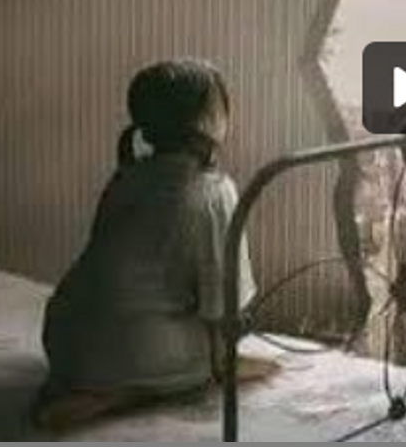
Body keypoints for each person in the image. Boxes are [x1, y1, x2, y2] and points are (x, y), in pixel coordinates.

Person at [35, 59, 259, 430]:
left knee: (128, 325)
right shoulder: (215, 191)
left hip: (61, 334)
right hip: (136, 350)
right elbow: (222, 303)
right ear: (205, 121)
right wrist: (222, 363)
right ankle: (125, 392)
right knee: (242, 362)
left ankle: (95, 383)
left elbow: (106, 263)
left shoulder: (125, 177)